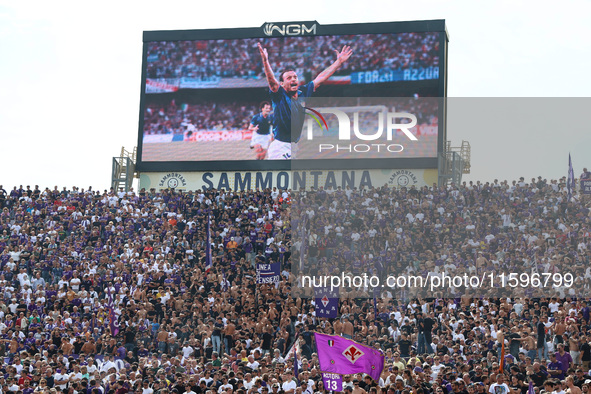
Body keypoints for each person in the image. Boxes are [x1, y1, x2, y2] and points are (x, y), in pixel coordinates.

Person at [257, 41, 352, 160]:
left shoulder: (303, 92)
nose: (293, 79)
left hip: (293, 146)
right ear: (282, 83)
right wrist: (265, 61)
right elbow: (272, 82)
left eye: (295, 77)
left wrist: (338, 62)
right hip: (280, 147)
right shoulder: (280, 94)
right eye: (289, 78)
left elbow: (320, 78)